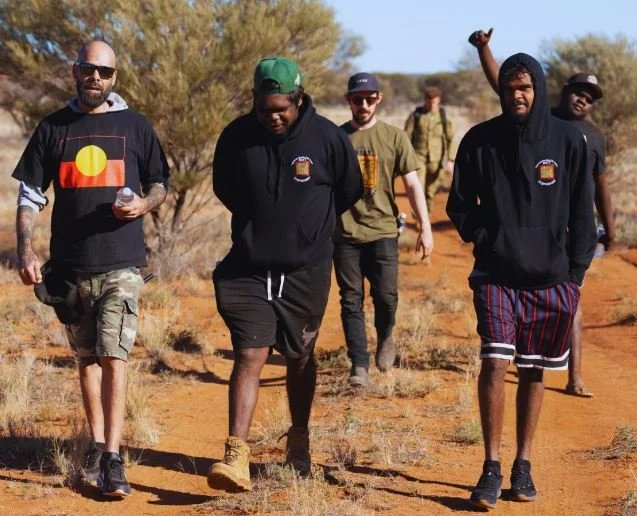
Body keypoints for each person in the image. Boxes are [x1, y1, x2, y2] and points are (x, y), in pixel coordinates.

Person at [13, 40, 169, 498]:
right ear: (75, 71)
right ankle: (99, 448)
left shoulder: (135, 125)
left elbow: (160, 183)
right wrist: (26, 249)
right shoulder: (53, 127)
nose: (94, 78)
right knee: (86, 359)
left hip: (122, 262)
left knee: (113, 353)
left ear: (115, 77)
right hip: (70, 266)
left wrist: (142, 204)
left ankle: (115, 458)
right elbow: (30, 196)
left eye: (104, 71)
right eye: (87, 69)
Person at [447, 53, 596, 509]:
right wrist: (485, 235)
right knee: (494, 363)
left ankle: (523, 464)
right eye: (510, 88)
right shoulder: (480, 140)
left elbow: (582, 214)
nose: (517, 95)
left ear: (539, 90)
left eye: (525, 88)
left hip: (552, 280)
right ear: (501, 90)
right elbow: (458, 204)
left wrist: (574, 276)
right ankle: (490, 467)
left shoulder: (569, 142)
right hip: (495, 274)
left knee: (532, 369)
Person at [209, 57, 362, 493]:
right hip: (250, 267)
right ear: (254, 101)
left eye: (281, 108)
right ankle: (236, 455)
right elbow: (226, 189)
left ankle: (298, 439)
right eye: (264, 109)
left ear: (298, 99)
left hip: (306, 270)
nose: (273, 116)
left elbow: (348, 190)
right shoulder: (236, 138)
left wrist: (308, 231)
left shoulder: (328, 139)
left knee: (299, 357)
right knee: (250, 354)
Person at [469, 28, 616, 398]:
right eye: (577, 93)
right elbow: (503, 82)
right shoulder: (536, 119)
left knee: (571, 304)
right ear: (559, 90)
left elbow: (598, 187)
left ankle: (574, 374)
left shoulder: (592, 138)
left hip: (562, 244)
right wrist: (485, 50)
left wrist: (606, 231)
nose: (582, 101)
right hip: (513, 248)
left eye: (589, 98)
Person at [334, 73, 434, 388]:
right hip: (345, 234)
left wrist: (425, 227)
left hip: (383, 230)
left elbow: (413, 184)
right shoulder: (336, 138)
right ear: (348, 100)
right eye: (356, 99)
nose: (363, 105)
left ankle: (386, 336)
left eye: (369, 99)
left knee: (386, 297)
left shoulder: (394, 137)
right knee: (351, 299)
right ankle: (359, 365)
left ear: (378, 99)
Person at [404, 85, 456, 214]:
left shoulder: (443, 117)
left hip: (437, 160)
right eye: (429, 101)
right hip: (418, 157)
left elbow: (450, 139)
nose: (431, 104)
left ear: (438, 100)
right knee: (418, 189)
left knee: (430, 192)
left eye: (434, 101)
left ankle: (427, 216)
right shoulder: (416, 115)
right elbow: (406, 136)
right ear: (425, 100)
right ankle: (419, 217)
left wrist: (450, 160)